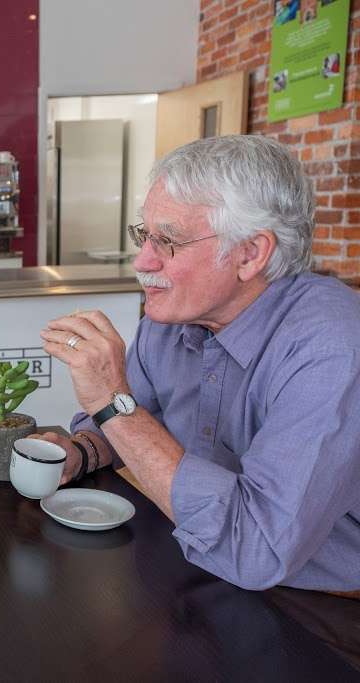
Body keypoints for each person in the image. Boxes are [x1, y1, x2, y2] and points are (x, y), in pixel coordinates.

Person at [36, 135, 360, 592]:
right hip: (193, 566)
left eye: (167, 241)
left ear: (250, 253)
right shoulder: (172, 318)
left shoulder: (332, 347)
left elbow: (257, 550)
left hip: (323, 612)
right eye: (144, 235)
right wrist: (83, 449)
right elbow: (135, 420)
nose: (142, 261)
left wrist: (113, 401)